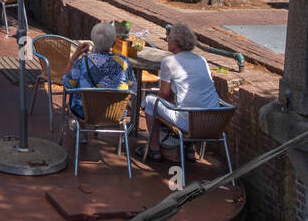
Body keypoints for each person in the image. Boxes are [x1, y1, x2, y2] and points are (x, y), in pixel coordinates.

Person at [143, 22, 220, 161]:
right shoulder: (201, 60)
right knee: (192, 101)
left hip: (189, 121)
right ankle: (189, 149)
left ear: (177, 42)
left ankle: (154, 148)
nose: (167, 40)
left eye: (169, 38)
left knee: (149, 101)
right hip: (215, 120)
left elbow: (164, 94)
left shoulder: (169, 61)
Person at [60, 23, 136, 120]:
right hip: (116, 113)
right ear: (114, 43)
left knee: (76, 92)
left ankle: (83, 133)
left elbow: (66, 83)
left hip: (84, 112)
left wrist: (75, 55)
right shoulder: (124, 62)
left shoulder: (82, 61)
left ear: (94, 42)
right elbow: (133, 88)